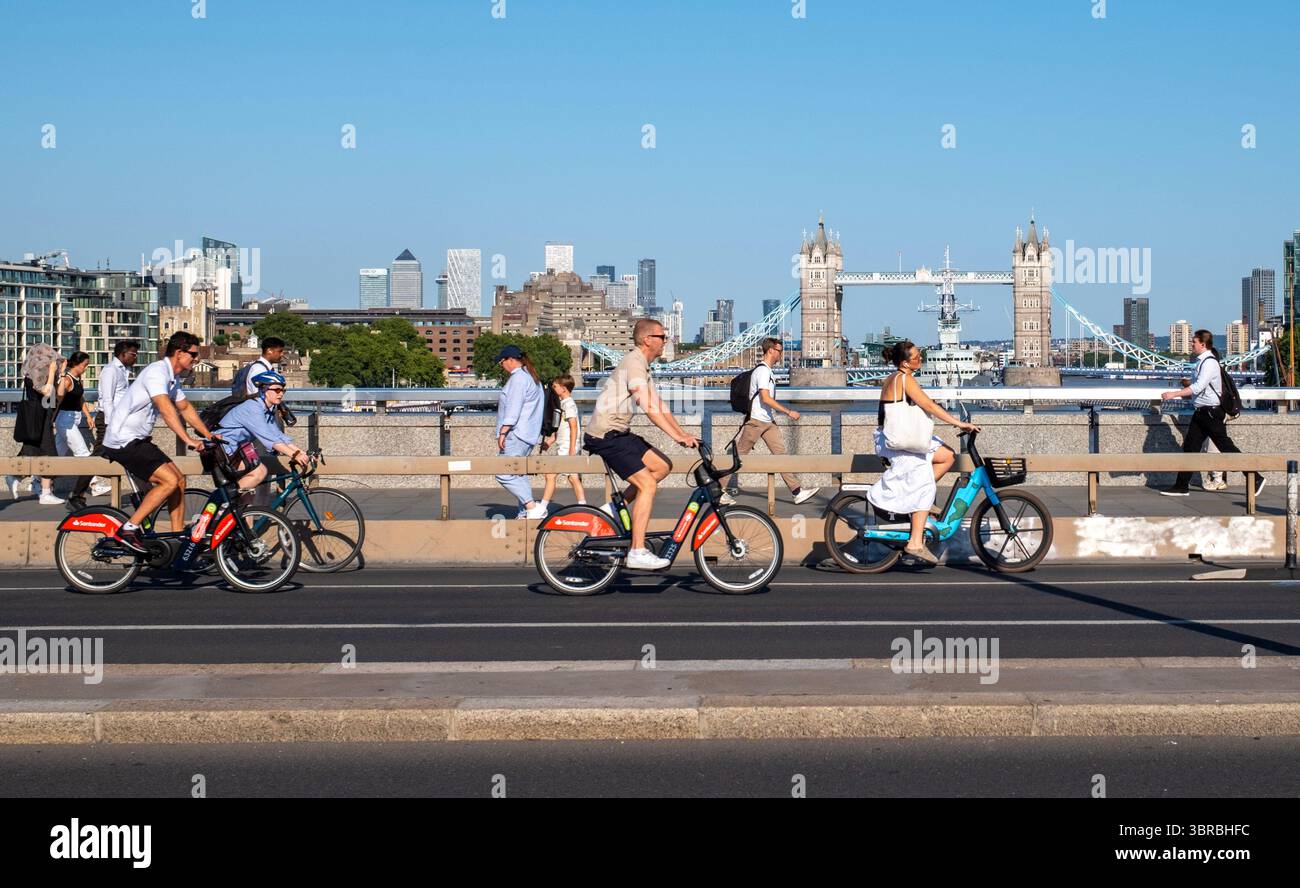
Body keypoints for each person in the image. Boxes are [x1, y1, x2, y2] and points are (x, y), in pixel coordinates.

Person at [584, 318, 699, 571]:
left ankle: (615, 508)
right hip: (605, 435)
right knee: (647, 484)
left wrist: (683, 433)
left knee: (662, 466)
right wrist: (676, 437)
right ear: (647, 340)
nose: (665, 341)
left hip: (619, 433)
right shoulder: (634, 363)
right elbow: (646, 406)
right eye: (662, 337)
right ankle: (637, 551)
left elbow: (657, 404)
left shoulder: (643, 366)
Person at [100, 332, 217, 553]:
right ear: (179, 353)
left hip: (139, 439)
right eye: (193, 354)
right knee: (169, 481)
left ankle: (177, 539)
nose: (196, 359)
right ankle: (129, 528)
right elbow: (166, 408)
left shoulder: (172, 377)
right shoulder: (156, 372)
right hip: (123, 439)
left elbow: (184, 408)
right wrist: (188, 440)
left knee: (180, 481)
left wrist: (209, 435)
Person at [868, 340, 979, 566]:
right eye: (917, 356)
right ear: (905, 362)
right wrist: (959, 423)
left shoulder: (896, 378)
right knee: (923, 487)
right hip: (899, 442)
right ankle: (915, 543)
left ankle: (919, 505)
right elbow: (928, 406)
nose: (921, 359)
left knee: (947, 456)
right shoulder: (904, 379)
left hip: (903, 438)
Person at [1160, 329, 1263, 497]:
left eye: (1194, 342)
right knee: (1190, 448)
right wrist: (1188, 384)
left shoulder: (1209, 362)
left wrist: (1174, 394)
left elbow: (1199, 387)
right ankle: (1181, 485)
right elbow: (1200, 385)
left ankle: (1256, 477)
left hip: (1211, 413)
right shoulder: (1202, 362)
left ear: (1203, 343)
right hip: (1202, 412)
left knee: (1227, 447)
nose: (1191, 344)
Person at [720, 337, 819, 506]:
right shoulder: (763, 371)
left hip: (767, 422)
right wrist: (788, 411)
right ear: (770, 350)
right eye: (779, 351)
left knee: (781, 456)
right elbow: (765, 398)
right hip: (757, 422)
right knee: (738, 457)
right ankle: (718, 491)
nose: (781, 354)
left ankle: (797, 492)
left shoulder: (768, 371)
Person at [213, 371, 310, 497]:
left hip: (235, 451)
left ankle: (238, 512)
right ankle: (221, 502)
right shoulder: (252, 408)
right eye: (277, 390)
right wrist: (294, 455)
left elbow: (277, 435)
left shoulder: (265, 409)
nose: (281, 394)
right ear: (264, 390)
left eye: (282, 390)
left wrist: (300, 452)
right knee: (259, 472)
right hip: (223, 451)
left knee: (248, 494)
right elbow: (269, 439)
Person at [68, 340, 139, 508]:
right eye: (133, 354)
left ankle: (144, 492)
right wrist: (112, 425)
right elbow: (107, 399)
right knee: (98, 456)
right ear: (122, 354)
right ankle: (76, 497)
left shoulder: (123, 371)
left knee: (127, 454)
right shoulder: (111, 371)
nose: (135, 357)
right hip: (109, 420)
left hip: (119, 421)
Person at [5, 344, 64, 505]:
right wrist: (52, 373)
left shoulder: (43, 373)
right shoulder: (36, 373)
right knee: (49, 454)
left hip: (44, 416)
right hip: (38, 417)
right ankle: (45, 493)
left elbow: (55, 398)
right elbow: (46, 392)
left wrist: (61, 375)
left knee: (32, 449)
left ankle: (15, 476)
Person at [493, 344, 547, 519]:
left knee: (503, 472)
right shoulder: (531, 377)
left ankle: (531, 507)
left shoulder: (518, 379)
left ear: (510, 360)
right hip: (528, 434)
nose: (501, 366)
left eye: (501, 362)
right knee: (518, 474)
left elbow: (513, 409)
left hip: (516, 434)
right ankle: (525, 513)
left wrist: (503, 432)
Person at [54, 352, 112, 511]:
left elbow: (80, 399)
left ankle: (37, 482)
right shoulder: (67, 379)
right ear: (77, 364)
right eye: (85, 365)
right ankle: (94, 484)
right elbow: (59, 396)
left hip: (73, 419)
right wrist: (61, 374)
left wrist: (88, 416)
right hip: (65, 421)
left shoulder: (77, 380)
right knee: (83, 453)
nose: (86, 368)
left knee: (55, 454)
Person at [539, 374, 586, 511]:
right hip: (565, 446)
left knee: (550, 474)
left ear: (563, 388)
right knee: (573, 477)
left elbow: (573, 426)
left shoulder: (569, 404)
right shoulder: (563, 404)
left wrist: (572, 449)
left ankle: (542, 507)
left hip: (567, 447)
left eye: (555, 386)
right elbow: (560, 428)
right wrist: (550, 442)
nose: (553, 389)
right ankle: (583, 505)